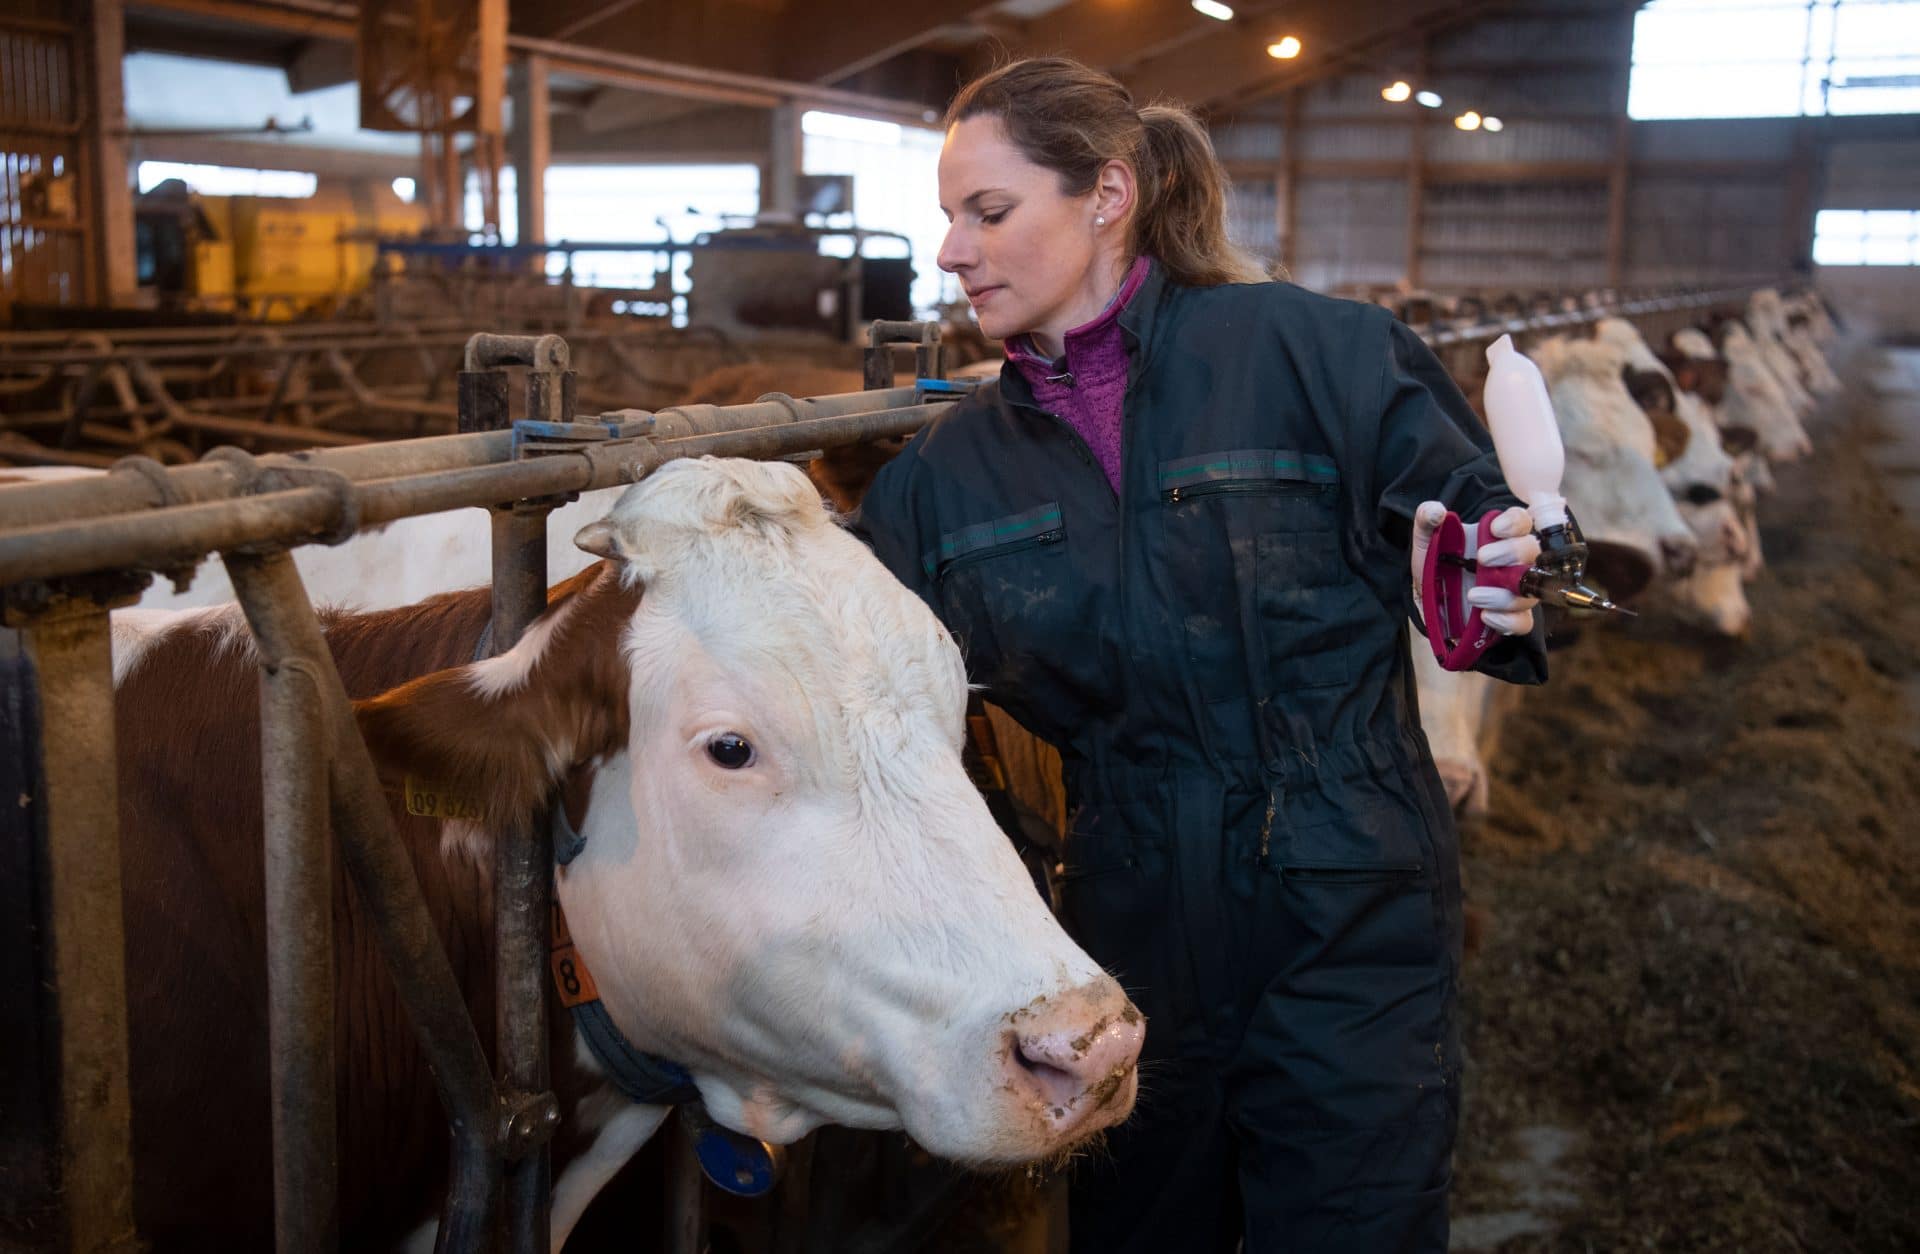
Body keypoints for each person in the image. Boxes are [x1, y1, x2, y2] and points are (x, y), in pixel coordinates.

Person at [854, 57, 1548, 1254]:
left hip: (1347, 906)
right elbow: (845, 667)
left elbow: (1487, 551)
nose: (952, 254)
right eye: (947, 220)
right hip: (1121, 924)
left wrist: (1496, 588)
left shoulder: (1318, 355)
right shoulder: (944, 478)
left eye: (990, 212)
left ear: (1109, 196)